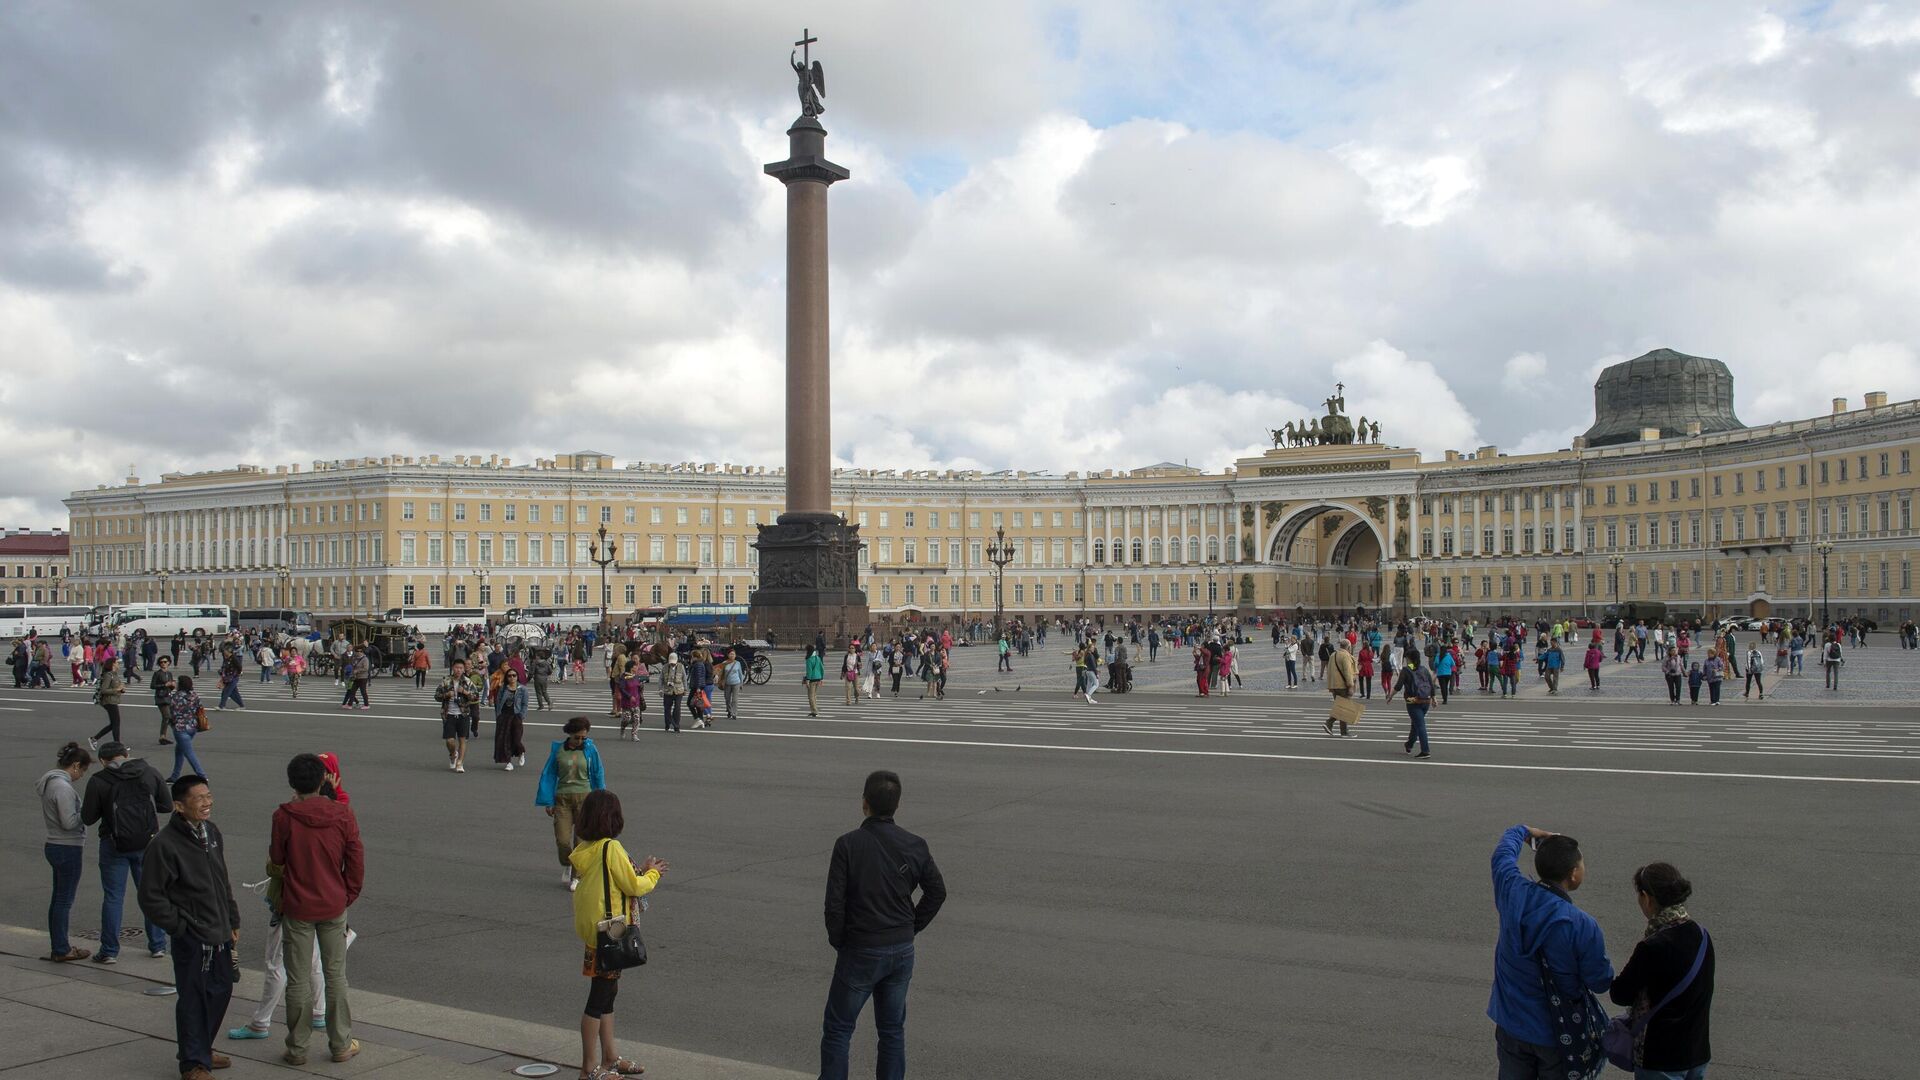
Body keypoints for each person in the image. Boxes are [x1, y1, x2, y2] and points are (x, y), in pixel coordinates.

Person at [820, 770, 946, 1080]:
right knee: (891, 1031)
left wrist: (841, 941)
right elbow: (937, 892)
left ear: (864, 804)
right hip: (901, 948)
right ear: (897, 805)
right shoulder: (915, 844)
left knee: (838, 1029)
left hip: (861, 947)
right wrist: (910, 926)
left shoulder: (848, 845)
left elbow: (834, 904)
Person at [1488, 825, 1614, 1080]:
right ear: (1573, 875)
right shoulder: (1581, 925)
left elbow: (1502, 855)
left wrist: (1523, 831)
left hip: (1510, 1021)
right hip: (1557, 1032)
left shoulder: (1512, 891)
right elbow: (1600, 981)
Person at [139, 775, 242, 1080]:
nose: (207, 803)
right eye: (198, 798)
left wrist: (232, 918)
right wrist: (180, 926)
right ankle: (193, 1063)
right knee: (194, 997)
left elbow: (222, 880)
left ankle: (201, 1047)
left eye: (208, 796)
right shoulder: (164, 845)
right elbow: (151, 897)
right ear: (179, 806)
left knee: (221, 991)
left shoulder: (210, 832)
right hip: (192, 936)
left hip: (219, 930)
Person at [268, 753, 364, 1065]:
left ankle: (297, 1048)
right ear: (323, 779)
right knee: (335, 975)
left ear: (292, 783)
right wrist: (347, 893)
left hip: (297, 905)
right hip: (333, 903)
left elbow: (277, 860)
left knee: (297, 979)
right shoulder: (342, 814)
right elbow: (355, 860)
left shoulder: (284, 816)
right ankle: (340, 1043)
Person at [570, 790, 667, 1080]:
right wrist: (653, 873)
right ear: (611, 818)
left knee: (608, 994)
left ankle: (610, 1057)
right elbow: (633, 885)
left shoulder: (587, 847)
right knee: (598, 999)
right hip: (611, 932)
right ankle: (589, 1068)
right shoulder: (610, 848)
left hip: (596, 933)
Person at [1609, 863, 1714, 1080]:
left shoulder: (1653, 947)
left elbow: (1620, 994)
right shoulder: (1702, 936)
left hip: (1661, 1057)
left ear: (1647, 898)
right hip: (1697, 1051)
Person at [80, 741, 171, 963]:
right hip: (147, 842)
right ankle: (158, 945)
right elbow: (167, 805)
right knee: (151, 893)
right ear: (126, 755)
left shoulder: (99, 780)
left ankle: (109, 951)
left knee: (113, 897)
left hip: (114, 844)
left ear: (103, 761)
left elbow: (88, 818)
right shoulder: (149, 772)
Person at [38, 741, 95, 963]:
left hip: (56, 845)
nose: (81, 775)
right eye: (83, 770)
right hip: (66, 846)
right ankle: (61, 948)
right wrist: (86, 812)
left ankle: (60, 945)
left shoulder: (50, 782)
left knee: (59, 899)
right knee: (64, 900)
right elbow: (68, 821)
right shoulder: (62, 787)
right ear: (75, 766)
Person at [537, 717, 607, 891]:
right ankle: (567, 863)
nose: (581, 741)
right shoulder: (558, 750)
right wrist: (548, 800)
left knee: (581, 841)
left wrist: (601, 797)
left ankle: (576, 876)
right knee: (562, 840)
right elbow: (549, 775)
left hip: (585, 799)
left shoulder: (590, 749)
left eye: (584, 737)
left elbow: (598, 772)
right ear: (569, 734)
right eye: (577, 737)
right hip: (562, 799)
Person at [435, 660, 480, 773]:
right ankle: (453, 753)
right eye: (456, 667)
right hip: (448, 714)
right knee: (450, 740)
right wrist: (446, 695)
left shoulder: (468, 682)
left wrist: (465, 692)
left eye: (461, 668)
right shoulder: (446, 681)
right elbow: (437, 696)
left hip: (463, 714)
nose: (458, 670)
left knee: (462, 739)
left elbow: (476, 697)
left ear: (464, 669)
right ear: (453, 668)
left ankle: (460, 762)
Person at [166, 676, 209, 781]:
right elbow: (200, 708)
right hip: (193, 726)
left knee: (189, 753)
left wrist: (169, 689)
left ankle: (202, 776)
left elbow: (171, 711)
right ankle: (175, 776)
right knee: (179, 751)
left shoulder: (176, 696)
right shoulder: (194, 695)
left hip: (180, 728)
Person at [1396, 651, 1436, 759]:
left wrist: (1390, 696)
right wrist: (1433, 698)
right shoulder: (1423, 669)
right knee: (1416, 724)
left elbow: (1398, 686)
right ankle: (1409, 744)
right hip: (1425, 701)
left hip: (1412, 701)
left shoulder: (1406, 670)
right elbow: (1431, 684)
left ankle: (1425, 750)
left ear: (1408, 658)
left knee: (1420, 725)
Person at [494, 668, 530, 770]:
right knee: (505, 740)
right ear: (506, 677)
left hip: (516, 716)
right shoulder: (503, 688)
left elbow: (525, 704)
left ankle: (521, 752)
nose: (512, 677)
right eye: (509, 676)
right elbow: (498, 702)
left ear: (517, 676)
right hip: (504, 716)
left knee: (516, 738)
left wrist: (522, 715)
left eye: (514, 675)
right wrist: (498, 715)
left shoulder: (522, 689)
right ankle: (508, 762)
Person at [1323, 639, 1358, 737]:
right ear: (1348, 647)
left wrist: (1330, 685)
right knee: (1344, 708)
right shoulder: (1345, 656)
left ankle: (1340, 730)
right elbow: (1347, 672)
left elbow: (1329, 671)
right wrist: (1351, 686)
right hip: (1343, 686)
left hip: (1335, 685)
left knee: (1341, 707)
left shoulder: (1333, 655)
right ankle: (1331, 724)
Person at [151, 655, 177, 745]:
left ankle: (163, 736)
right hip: (161, 697)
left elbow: (170, 687)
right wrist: (164, 685)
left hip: (168, 696)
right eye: (161, 662)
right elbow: (152, 686)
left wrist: (172, 686)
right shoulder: (157, 673)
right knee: (167, 716)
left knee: (167, 718)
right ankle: (163, 736)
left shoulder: (169, 673)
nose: (163, 664)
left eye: (165, 662)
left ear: (169, 663)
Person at [660, 651, 688, 732]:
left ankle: (676, 725)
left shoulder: (681, 666)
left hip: (678, 691)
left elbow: (684, 678)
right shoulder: (665, 667)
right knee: (667, 709)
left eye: (674, 663)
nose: (672, 664)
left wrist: (685, 689)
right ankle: (667, 724)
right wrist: (660, 689)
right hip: (667, 691)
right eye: (671, 663)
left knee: (677, 708)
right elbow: (661, 679)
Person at [720, 648, 745, 724]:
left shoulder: (738, 663)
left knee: (734, 700)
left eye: (733, 654)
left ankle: (734, 713)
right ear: (728, 655)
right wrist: (720, 681)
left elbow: (740, 674)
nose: (732, 655)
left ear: (735, 655)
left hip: (736, 683)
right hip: (727, 683)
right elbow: (721, 674)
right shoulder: (724, 663)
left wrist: (741, 683)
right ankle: (729, 710)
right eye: (731, 654)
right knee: (727, 699)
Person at [804, 644, 825, 717]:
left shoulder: (809, 659)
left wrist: (807, 680)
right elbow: (822, 668)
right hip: (818, 678)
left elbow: (809, 671)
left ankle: (814, 711)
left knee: (810, 696)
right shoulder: (818, 658)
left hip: (812, 679)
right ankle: (814, 710)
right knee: (814, 695)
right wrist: (822, 678)